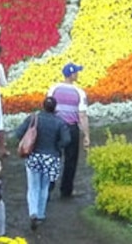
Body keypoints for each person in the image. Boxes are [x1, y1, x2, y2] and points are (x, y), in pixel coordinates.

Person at [15, 97, 69, 230]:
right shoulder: (59, 122)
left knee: (33, 186)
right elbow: (67, 140)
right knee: (44, 187)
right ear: (55, 108)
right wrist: (57, 147)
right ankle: (40, 214)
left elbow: (18, 133)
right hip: (50, 158)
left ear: (43, 106)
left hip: (34, 157)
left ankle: (32, 212)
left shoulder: (34, 118)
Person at [46, 62, 90, 198]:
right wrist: (86, 135)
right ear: (71, 75)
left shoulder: (53, 89)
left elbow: (48, 108)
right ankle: (66, 189)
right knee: (71, 159)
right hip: (71, 128)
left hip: (55, 127)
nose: (78, 74)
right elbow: (82, 115)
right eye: (76, 72)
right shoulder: (79, 92)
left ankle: (48, 187)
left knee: (53, 157)